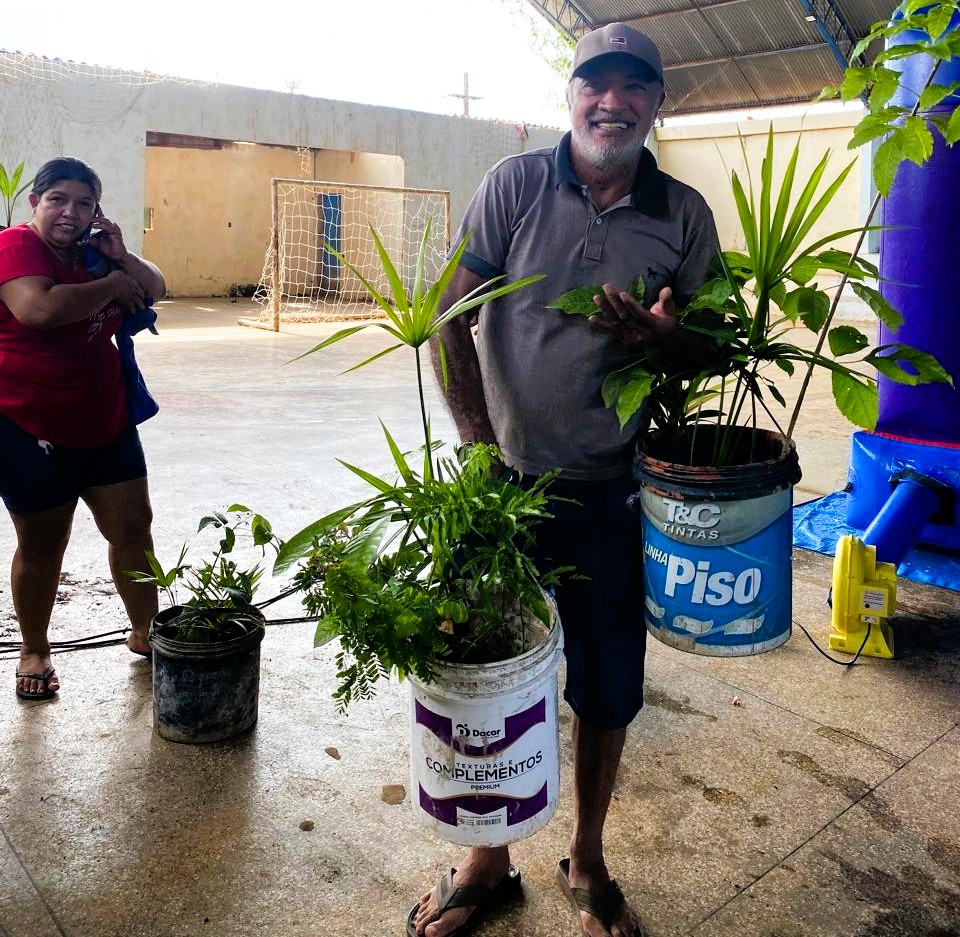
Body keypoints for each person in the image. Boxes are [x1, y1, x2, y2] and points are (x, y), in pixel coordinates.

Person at [409, 23, 721, 937]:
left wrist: (669, 340)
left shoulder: (684, 214)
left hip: (611, 489)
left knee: (608, 682)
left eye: (634, 87)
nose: (612, 103)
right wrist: (477, 443)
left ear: (657, 104)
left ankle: (586, 855)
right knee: (484, 678)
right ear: (572, 95)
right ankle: (488, 858)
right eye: (596, 84)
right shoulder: (514, 186)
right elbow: (449, 314)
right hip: (501, 484)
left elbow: (716, 345)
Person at [0, 156, 166, 701]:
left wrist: (122, 259)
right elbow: (39, 310)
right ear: (35, 203)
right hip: (27, 423)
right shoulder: (14, 246)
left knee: (133, 528)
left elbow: (156, 287)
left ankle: (147, 631)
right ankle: (34, 650)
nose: (70, 213)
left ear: (97, 211)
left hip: (105, 417)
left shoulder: (96, 254)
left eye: (84, 203)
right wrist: (114, 285)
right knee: (43, 544)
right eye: (58, 200)